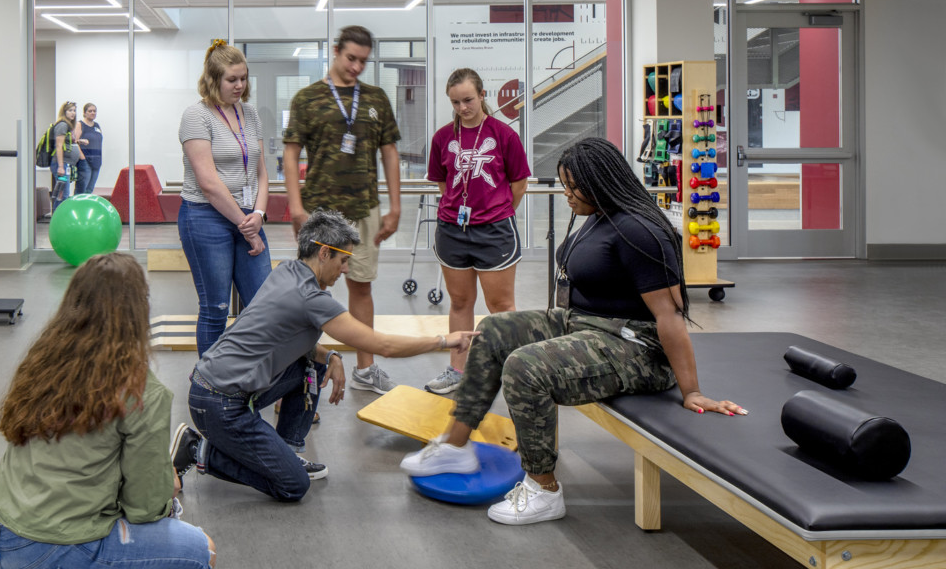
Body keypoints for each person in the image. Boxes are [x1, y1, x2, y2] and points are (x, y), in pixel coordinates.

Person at [399, 137, 746, 525]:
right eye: (564, 185)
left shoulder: (640, 230)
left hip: (635, 347)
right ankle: (455, 445)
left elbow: (669, 316)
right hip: (583, 324)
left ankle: (543, 489)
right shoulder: (600, 216)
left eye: (573, 186)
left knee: (524, 366)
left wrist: (692, 391)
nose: (566, 194)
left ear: (599, 182)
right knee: (493, 329)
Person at [0, 253, 215, 569]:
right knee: (201, 557)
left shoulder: (43, 361)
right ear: (139, 311)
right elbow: (145, 510)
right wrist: (168, 495)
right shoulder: (141, 390)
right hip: (51, 557)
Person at [172, 209, 473, 502]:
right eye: (344, 260)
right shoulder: (312, 300)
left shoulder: (287, 271)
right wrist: (446, 340)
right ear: (324, 253)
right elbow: (384, 346)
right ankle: (200, 451)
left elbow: (290, 339)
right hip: (220, 405)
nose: (345, 269)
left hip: (211, 390)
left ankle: (285, 450)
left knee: (313, 365)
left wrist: (331, 357)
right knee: (293, 485)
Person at [282, 25, 403, 395]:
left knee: (361, 287)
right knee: (308, 291)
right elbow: (290, 153)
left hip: (363, 209)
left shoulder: (376, 98)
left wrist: (395, 206)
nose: (356, 67)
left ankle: (365, 370)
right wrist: (295, 207)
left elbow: (390, 153)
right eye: (351, 58)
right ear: (335, 51)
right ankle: (299, 375)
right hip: (319, 213)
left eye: (363, 61)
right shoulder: (308, 98)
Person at [423, 68, 530, 396]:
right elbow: (443, 183)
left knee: (501, 305)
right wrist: (457, 210)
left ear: (482, 95)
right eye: (455, 102)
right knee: (459, 301)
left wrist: (495, 212)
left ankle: (515, 374)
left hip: (494, 229)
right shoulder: (443, 137)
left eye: (468, 100)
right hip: (453, 229)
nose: (462, 107)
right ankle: (458, 370)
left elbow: (518, 183)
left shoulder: (503, 134)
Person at [178, 40, 271, 356]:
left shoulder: (251, 113)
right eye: (232, 79)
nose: (240, 85)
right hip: (205, 217)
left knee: (261, 305)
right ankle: (209, 383)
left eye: (243, 78)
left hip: (247, 216)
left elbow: (261, 173)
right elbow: (208, 183)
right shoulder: (196, 116)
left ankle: (248, 376)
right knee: (216, 307)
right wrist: (247, 226)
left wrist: (258, 215)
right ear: (213, 79)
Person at [50, 100, 82, 208]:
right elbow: (59, 146)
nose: (73, 113)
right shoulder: (62, 125)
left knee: (64, 194)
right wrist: (60, 166)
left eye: (74, 111)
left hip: (66, 164)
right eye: (70, 110)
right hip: (61, 164)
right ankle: (57, 220)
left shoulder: (68, 126)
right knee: (62, 195)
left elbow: (66, 143)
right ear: (64, 112)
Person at [73, 102, 103, 195]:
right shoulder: (80, 124)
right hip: (85, 161)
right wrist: (82, 158)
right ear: (84, 113)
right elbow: (75, 142)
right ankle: (77, 207)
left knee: (90, 189)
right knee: (82, 189)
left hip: (97, 161)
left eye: (94, 111)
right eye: (90, 111)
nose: (93, 113)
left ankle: (85, 208)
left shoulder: (97, 126)